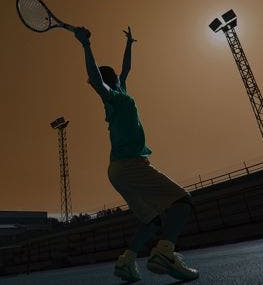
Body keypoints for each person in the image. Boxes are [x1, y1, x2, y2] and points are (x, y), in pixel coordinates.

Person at [73, 26, 199, 282]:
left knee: (151, 220)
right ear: (113, 82)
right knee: (182, 203)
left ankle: (127, 261)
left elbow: (125, 69)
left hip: (118, 170)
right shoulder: (113, 98)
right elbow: (97, 81)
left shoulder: (122, 95)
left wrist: (130, 44)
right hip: (130, 164)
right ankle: (165, 253)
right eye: (116, 78)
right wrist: (85, 45)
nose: (121, 77)